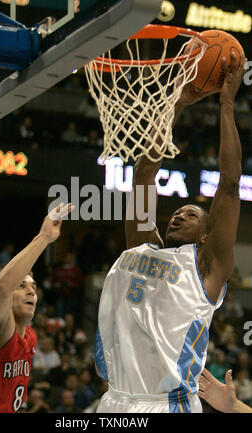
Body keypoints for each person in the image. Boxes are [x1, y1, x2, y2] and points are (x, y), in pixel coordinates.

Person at [94, 53, 245, 413]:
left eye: (191, 214)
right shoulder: (143, 245)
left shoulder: (208, 269)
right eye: (177, 211)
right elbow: (145, 174)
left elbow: (229, 183)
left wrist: (226, 104)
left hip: (167, 404)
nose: (178, 214)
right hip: (114, 401)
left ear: (207, 236)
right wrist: (175, 104)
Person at [0, 203, 73, 413]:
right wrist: (43, 238)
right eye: (21, 286)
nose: (31, 292)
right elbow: (1, 289)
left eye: (33, 287)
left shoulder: (30, 337)